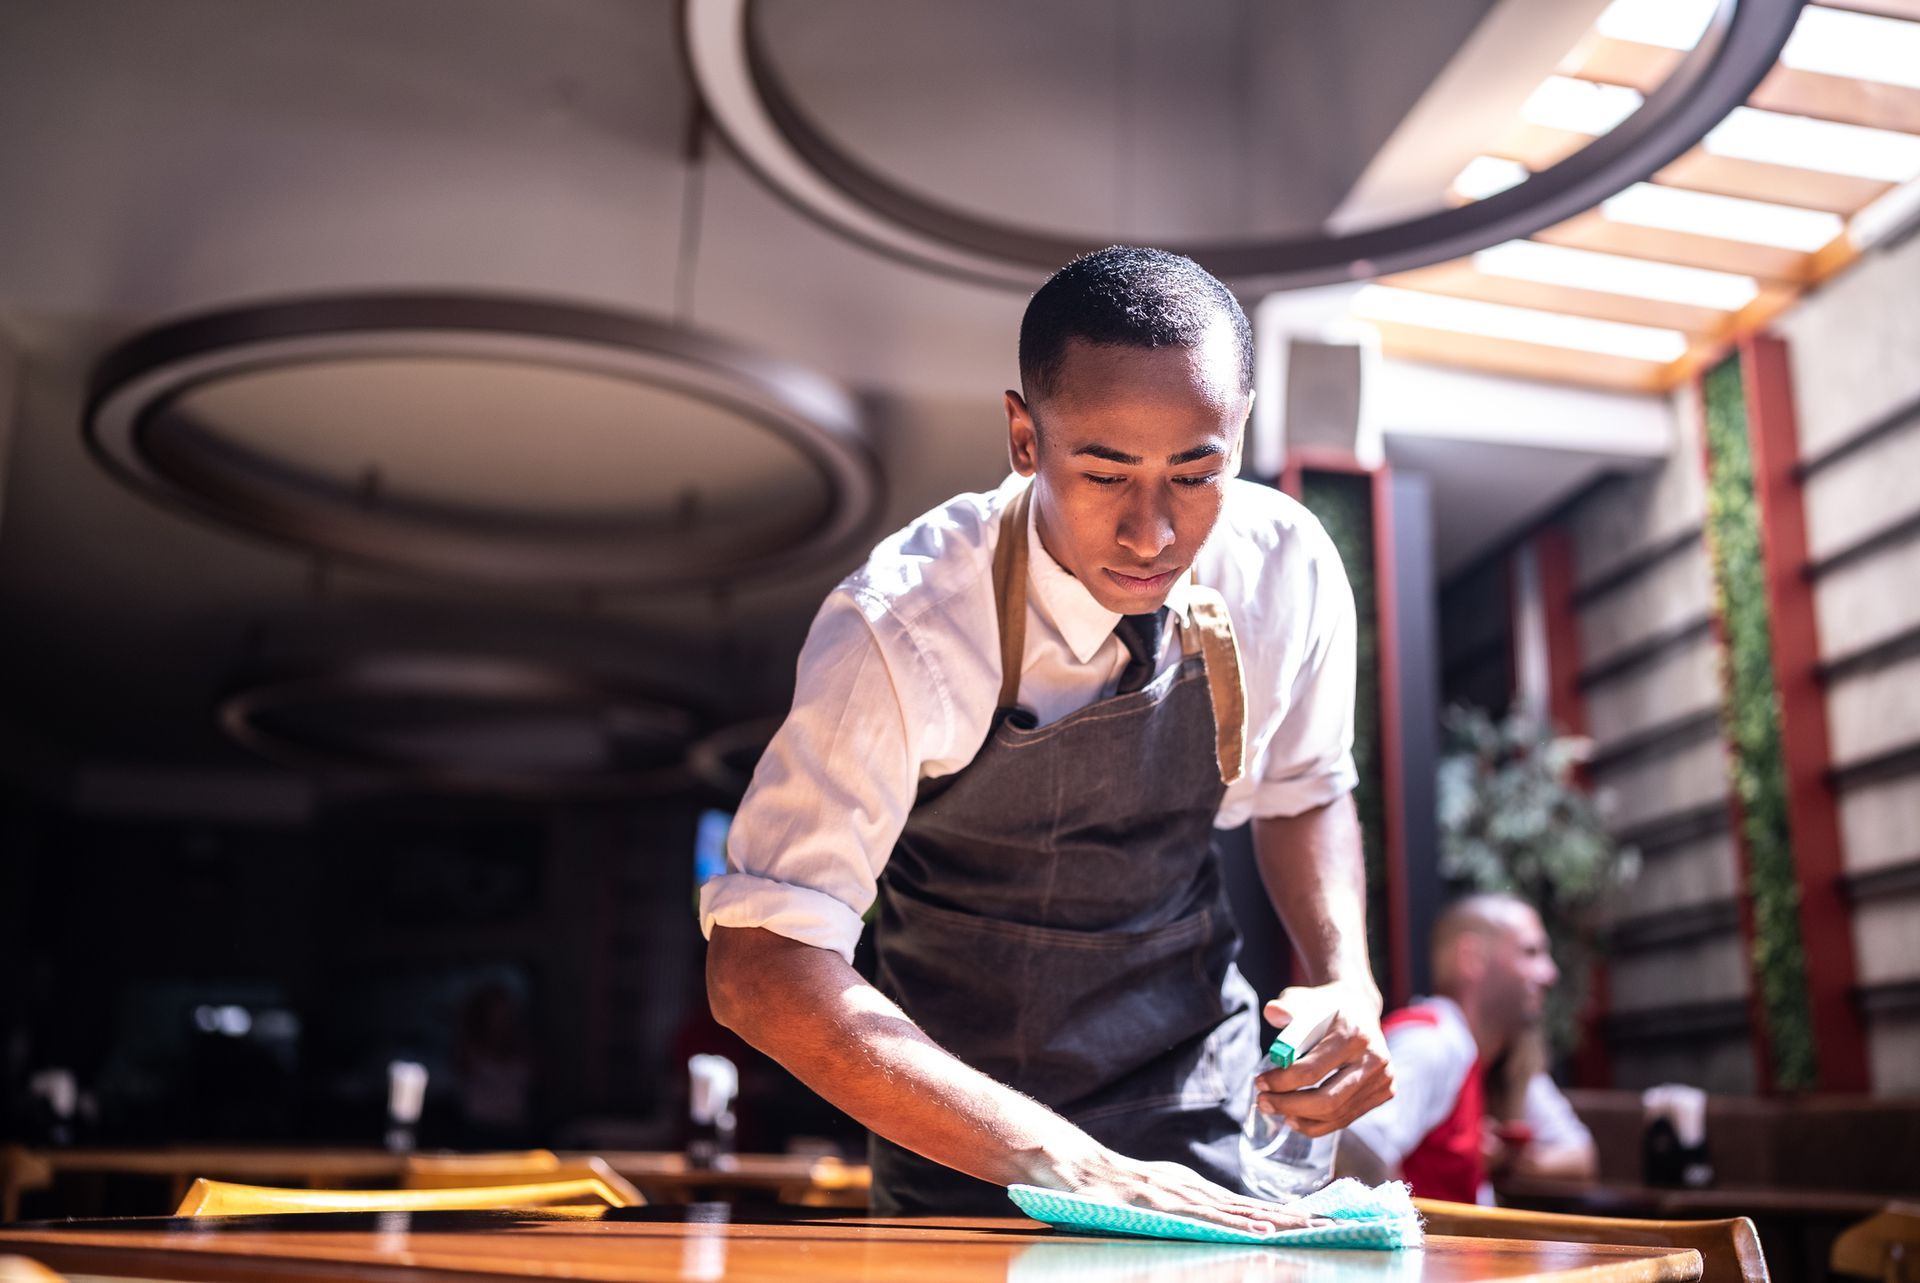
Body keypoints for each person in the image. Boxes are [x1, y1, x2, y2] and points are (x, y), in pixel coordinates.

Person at [700, 246, 1392, 1233]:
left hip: (1205, 1099)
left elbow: (1304, 790)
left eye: (1197, 474)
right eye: (1105, 472)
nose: (1152, 532)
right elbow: (760, 966)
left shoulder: (1284, 565)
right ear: (1025, 436)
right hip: (970, 1146)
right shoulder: (904, 626)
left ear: (1238, 433)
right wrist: (1066, 1160)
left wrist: (1344, 977)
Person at [1341, 894, 1598, 1203]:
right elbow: (1356, 1149)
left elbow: (1582, 1155)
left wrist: (1509, 1160)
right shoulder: (1432, 1042)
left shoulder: (1503, 1058)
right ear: (1471, 958)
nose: (1549, 974)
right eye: (1531, 952)